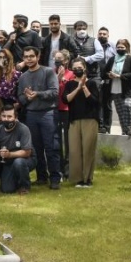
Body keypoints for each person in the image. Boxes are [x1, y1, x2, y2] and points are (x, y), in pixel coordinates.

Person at [17, 46, 61, 189]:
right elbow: (20, 98)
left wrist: (37, 94)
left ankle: (55, 178)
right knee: (36, 148)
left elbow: (54, 92)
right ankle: (42, 176)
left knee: (51, 147)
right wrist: (28, 98)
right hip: (31, 114)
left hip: (47, 113)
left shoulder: (48, 72)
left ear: (38, 56)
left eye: (31, 56)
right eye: (26, 57)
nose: (29, 59)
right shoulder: (23, 77)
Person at [64, 57, 100, 187]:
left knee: (88, 149)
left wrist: (84, 86)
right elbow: (66, 100)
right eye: (74, 68)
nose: (77, 70)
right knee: (75, 150)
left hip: (90, 119)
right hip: (74, 120)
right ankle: (78, 179)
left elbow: (95, 102)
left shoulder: (92, 83)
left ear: (84, 68)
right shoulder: (69, 84)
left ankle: (87, 179)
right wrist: (78, 88)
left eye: (79, 67)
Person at [0, 104, 36, 194]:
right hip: (8, 162)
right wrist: (0, 152)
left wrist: (9, 154)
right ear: (0, 116)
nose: (6, 119)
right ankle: (15, 179)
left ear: (15, 117)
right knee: (6, 189)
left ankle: (24, 186)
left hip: (27, 159)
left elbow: (27, 152)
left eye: (9, 116)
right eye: (4, 116)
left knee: (19, 162)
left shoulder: (23, 129)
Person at [101, 39, 131, 137]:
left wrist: (119, 76)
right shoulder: (112, 59)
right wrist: (109, 75)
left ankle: (128, 128)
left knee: (128, 106)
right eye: (118, 47)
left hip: (128, 89)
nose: (120, 49)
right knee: (120, 111)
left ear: (127, 48)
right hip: (115, 88)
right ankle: (124, 131)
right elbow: (104, 72)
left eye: (122, 47)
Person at [53, 49, 74, 180]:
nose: (57, 61)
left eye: (60, 58)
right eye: (55, 58)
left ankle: (68, 169)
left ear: (66, 60)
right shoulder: (51, 73)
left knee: (68, 141)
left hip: (66, 111)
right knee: (57, 142)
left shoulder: (71, 74)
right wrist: (57, 79)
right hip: (54, 110)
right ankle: (59, 169)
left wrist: (64, 80)